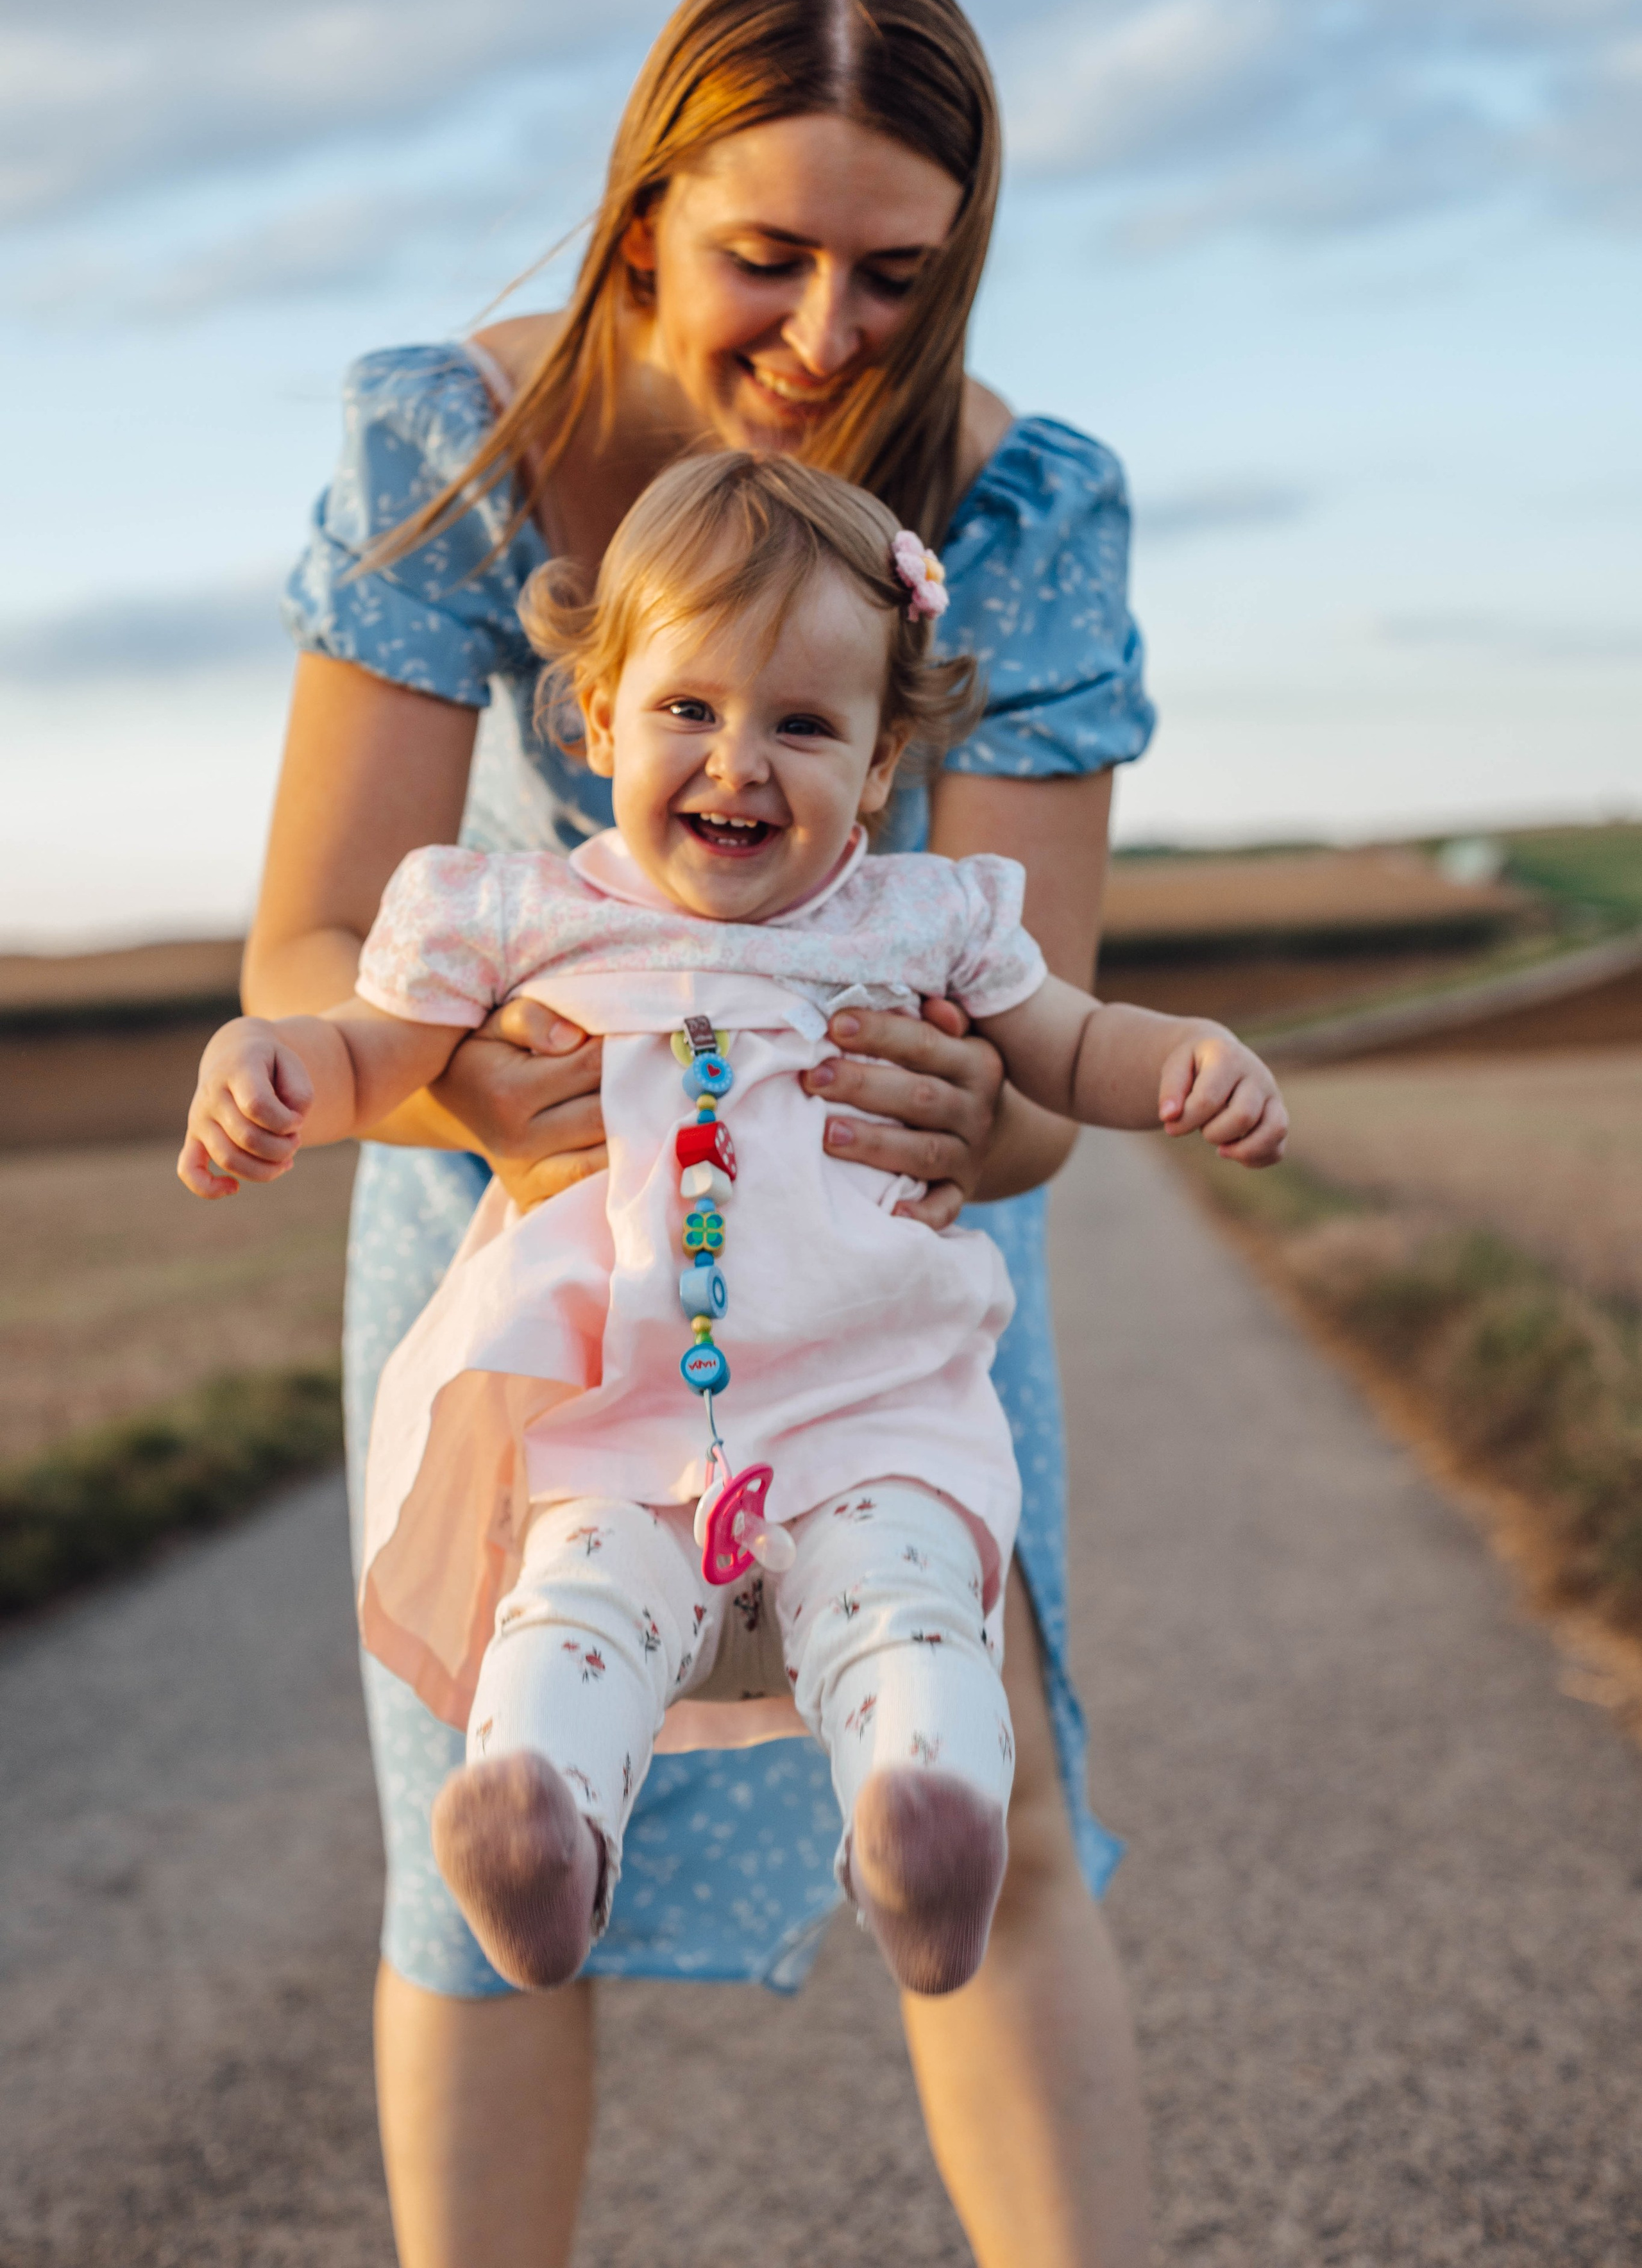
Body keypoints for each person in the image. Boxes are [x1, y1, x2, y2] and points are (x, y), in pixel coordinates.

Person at [257, 0, 1162, 2268]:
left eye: (895, 277)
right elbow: (312, 934)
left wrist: (1000, 1119)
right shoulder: (450, 438)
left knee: (996, 1797)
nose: (827, 339)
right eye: (768, 257)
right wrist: (476, 1085)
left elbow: (1044, 1038)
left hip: (881, 1229)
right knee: (484, 1836)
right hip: (520, 1218)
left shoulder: (1024, 502)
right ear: (642, 205)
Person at [186, 454, 1285, 2012]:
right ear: (595, 718)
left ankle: (925, 1826)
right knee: (576, 1602)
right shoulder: (510, 918)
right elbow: (372, 1053)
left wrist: (1175, 1058)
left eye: (802, 724)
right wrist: (275, 1064)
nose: (738, 764)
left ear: (883, 752)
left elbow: (1068, 1038)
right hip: (615, 1412)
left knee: (906, 1608)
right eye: (690, 710)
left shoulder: (924, 916)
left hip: (871, 1401)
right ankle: (538, 1822)